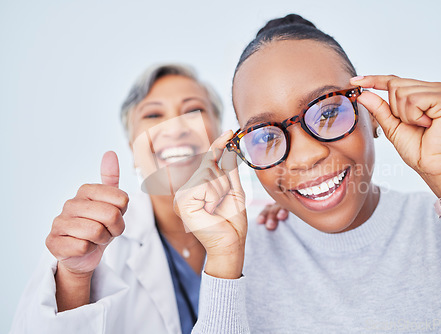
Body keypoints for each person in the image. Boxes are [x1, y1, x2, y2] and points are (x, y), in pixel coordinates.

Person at [174, 15, 441, 333]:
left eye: (328, 111)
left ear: (371, 111)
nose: (305, 157)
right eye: (265, 136)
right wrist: (225, 261)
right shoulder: (239, 263)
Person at [10, 64, 287, 334]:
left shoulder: (271, 226)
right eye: (153, 115)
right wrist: (74, 277)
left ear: (222, 135)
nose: (175, 128)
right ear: (133, 150)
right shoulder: (86, 234)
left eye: (193, 110)